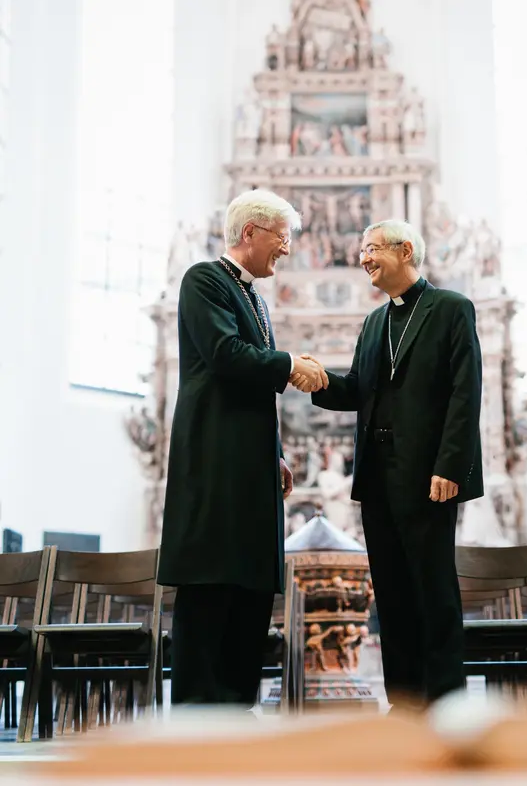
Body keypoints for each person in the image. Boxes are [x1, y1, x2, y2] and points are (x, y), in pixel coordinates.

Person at [293, 219, 483, 710]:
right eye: (362, 250)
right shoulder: (375, 321)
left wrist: (451, 466)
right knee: (394, 595)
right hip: (377, 478)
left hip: (429, 475)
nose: (363, 258)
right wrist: (315, 379)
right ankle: (405, 705)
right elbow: (358, 389)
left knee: (433, 591)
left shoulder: (451, 309)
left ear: (405, 251)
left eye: (372, 248)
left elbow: (466, 392)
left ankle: (446, 705)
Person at [158, 189, 328, 707]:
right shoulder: (204, 279)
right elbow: (226, 355)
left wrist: (273, 450)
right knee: (212, 586)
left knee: (251, 589)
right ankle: (197, 718)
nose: (288, 247)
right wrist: (289, 364)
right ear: (250, 232)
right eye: (283, 235)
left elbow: (253, 389)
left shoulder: (254, 296)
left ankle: (236, 708)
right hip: (213, 460)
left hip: (251, 463)